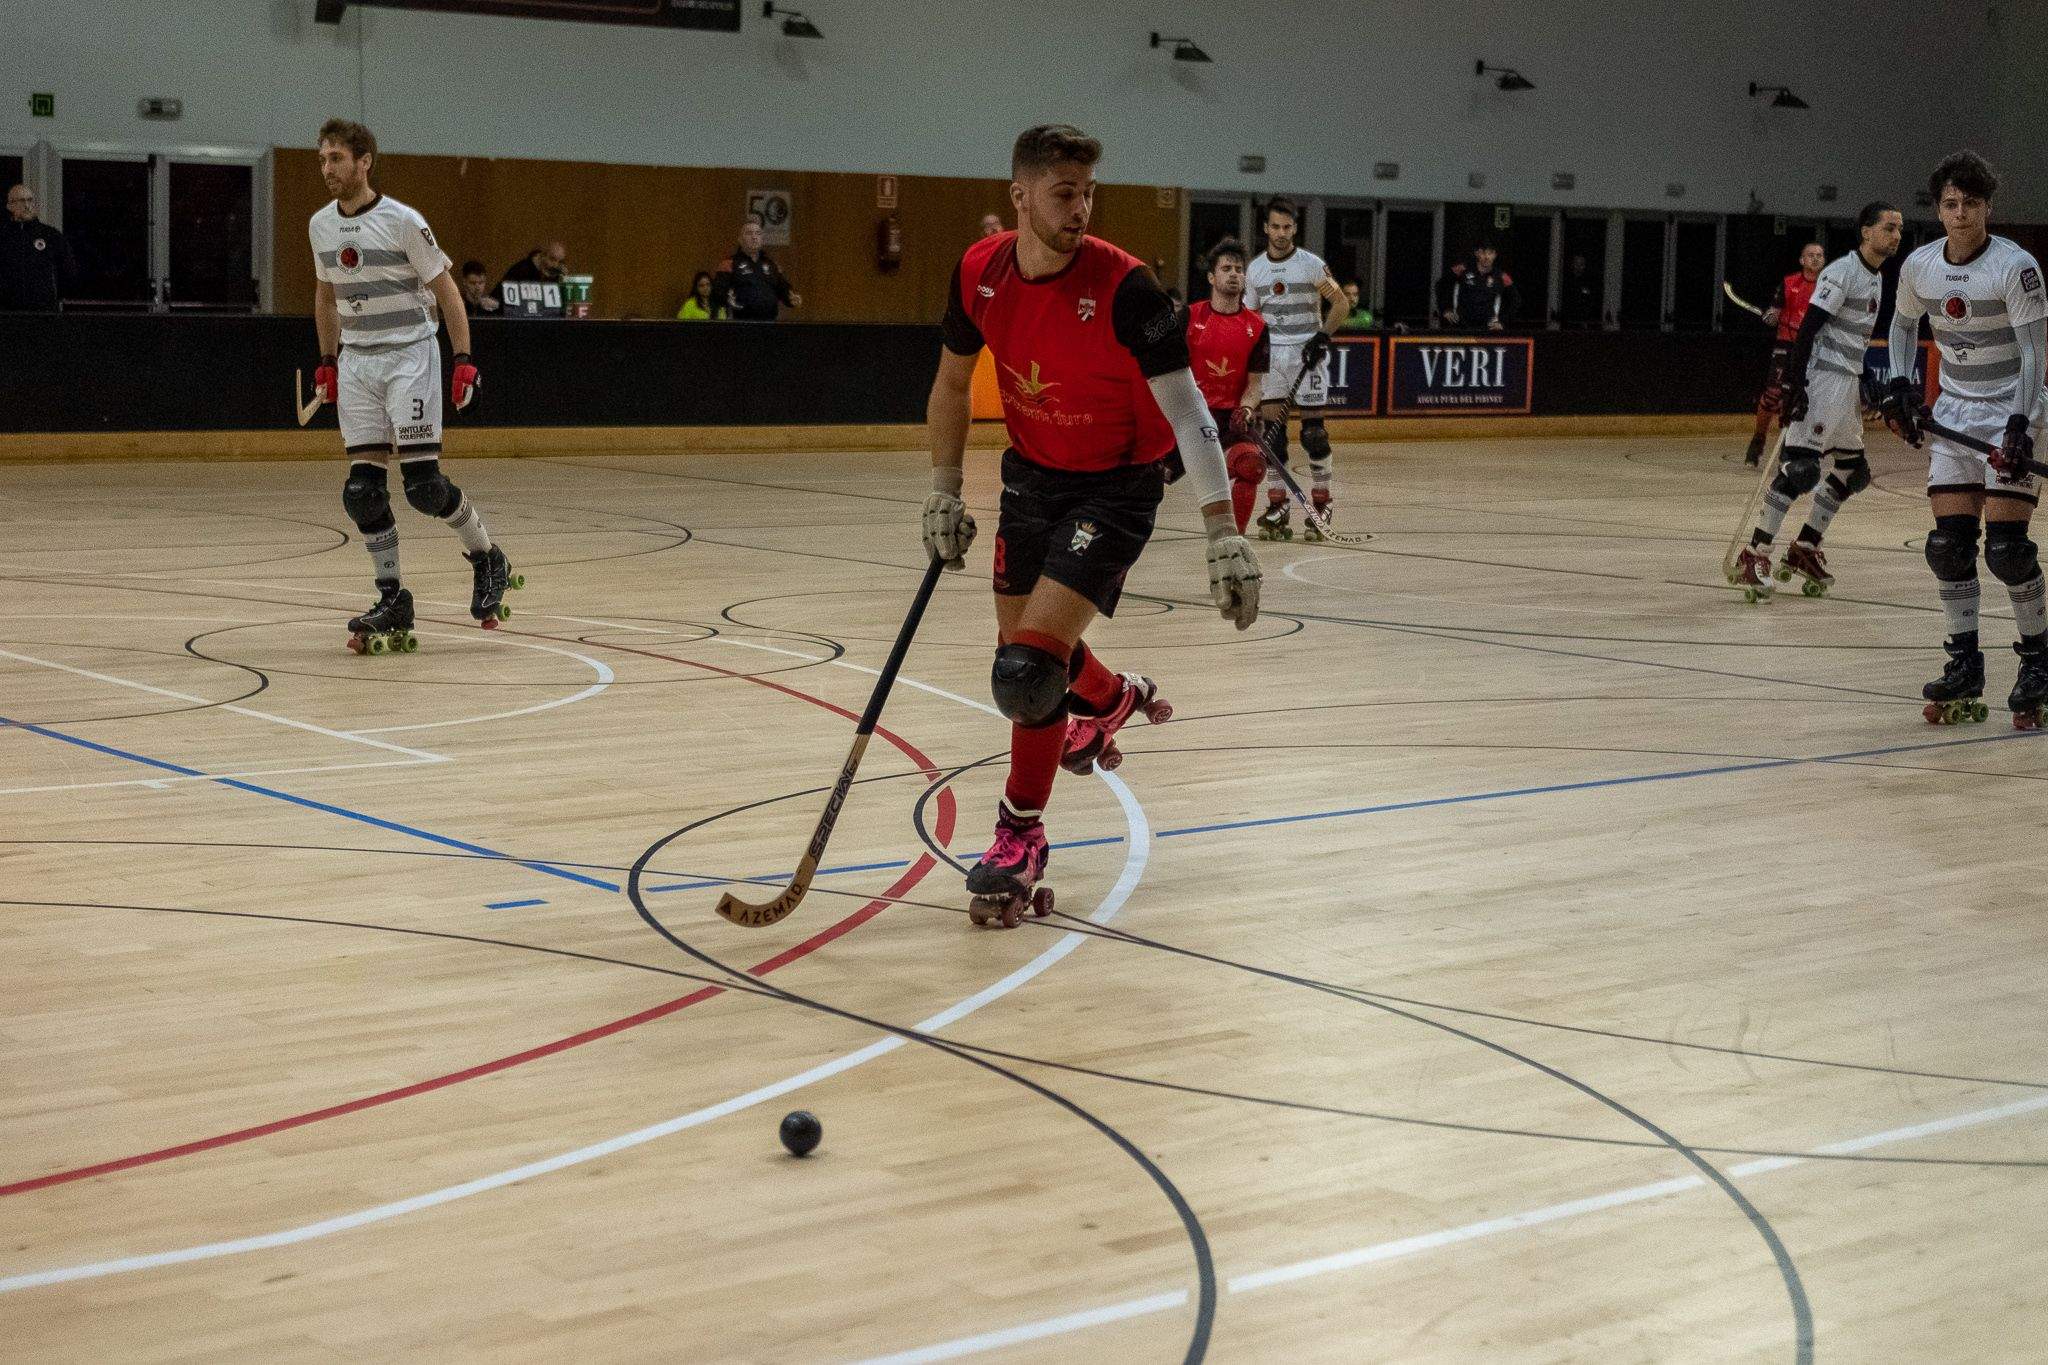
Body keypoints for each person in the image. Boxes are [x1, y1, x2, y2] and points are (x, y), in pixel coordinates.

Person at [920, 123, 1261, 927]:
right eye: (1063, 194)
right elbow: (949, 385)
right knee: (1027, 659)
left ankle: (1019, 834)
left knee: (1026, 673)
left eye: (1088, 194)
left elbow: (1191, 417)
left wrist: (1223, 533)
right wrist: (943, 490)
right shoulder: (980, 273)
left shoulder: (1127, 288)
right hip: (1032, 475)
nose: (1080, 210)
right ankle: (1106, 699)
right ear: (1021, 197)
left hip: (1115, 485)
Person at [306, 118, 514, 653]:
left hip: (409, 356)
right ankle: (393, 595)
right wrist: (327, 360)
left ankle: (486, 554)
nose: (327, 168)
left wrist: (463, 358)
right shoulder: (320, 226)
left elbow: (447, 292)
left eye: (336, 159)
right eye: (323, 159)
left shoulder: (403, 221)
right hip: (358, 363)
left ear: (363, 160)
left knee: (423, 487)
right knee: (361, 492)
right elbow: (326, 297)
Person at [1880, 150, 2048, 727]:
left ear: (1987, 207)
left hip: (2011, 412)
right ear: (1938, 209)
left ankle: (2038, 662)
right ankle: (1965, 664)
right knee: (1948, 548)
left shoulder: (2016, 267)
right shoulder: (1920, 266)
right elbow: (1902, 326)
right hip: (1954, 414)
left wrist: (2022, 426)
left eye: (1971, 204)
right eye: (1950, 205)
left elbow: (2033, 352)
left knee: (2007, 551)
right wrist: (1900, 386)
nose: (1960, 215)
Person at [1731, 202, 1904, 598]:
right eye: (1888, 228)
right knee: (1803, 472)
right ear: (1865, 232)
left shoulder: (1876, 278)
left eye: (1898, 229)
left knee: (1853, 473)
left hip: (1845, 388)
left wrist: (1864, 380)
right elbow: (1806, 331)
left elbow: (1854, 340)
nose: (1896, 235)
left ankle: (1805, 548)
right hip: (1820, 382)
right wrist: (1795, 387)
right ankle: (1754, 553)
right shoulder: (1841, 272)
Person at [1245, 197, 1348, 539]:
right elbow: (1250, 318)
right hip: (1272, 358)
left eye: (1287, 227)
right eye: (1275, 226)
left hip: (1308, 355)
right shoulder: (1255, 270)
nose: (1280, 233)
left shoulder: (1312, 265)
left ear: (1295, 228)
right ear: (1265, 228)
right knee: (1274, 438)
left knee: (1313, 434)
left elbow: (1341, 303)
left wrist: (1322, 336)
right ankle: (1278, 505)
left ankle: (1321, 504)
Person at [1180, 236, 1270, 531]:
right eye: (1226, 268)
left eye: (1239, 269)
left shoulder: (1256, 327)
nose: (1234, 274)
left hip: (1231, 420)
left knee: (1252, 466)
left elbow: (1255, 384)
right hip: (1190, 417)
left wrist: (1245, 410)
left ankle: (1235, 541)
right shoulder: (1189, 317)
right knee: (1148, 481)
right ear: (1211, 276)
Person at [1744, 241, 1826, 465]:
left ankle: (1787, 448)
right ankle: (1758, 438)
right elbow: (1774, 311)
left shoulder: (1827, 287)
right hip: (1786, 344)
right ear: (1802, 260)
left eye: (1819, 255)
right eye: (1810, 255)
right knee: (1772, 395)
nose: (1815, 259)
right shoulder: (1790, 283)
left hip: (1811, 348)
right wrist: (1771, 317)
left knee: (1796, 399)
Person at [1, 184, 76, 312]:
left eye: (30, 200)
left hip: (43, 313)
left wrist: (52, 298)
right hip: (7, 313)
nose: (27, 205)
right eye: (21, 200)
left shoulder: (51, 235)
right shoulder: (3, 237)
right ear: (9, 206)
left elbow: (68, 271)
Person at [713, 217, 801, 321]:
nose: (754, 237)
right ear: (740, 240)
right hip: (740, 323)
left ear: (762, 239)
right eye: (749, 233)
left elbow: (783, 289)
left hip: (769, 323)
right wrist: (726, 298)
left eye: (758, 233)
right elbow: (717, 292)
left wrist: (791, 299)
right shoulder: (728, 263)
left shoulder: (772, 265)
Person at [1435, 241, 1518, 330]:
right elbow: (1441, 285)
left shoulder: (1502, 276)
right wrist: (1445, 309)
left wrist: (1503, 322)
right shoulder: (1463, 269)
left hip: (1488, 328)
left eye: (1490, 253)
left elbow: (1515, 300)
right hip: (1461, 327)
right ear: (1476, 253)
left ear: (1495, 255)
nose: (1486, 257)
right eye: (1482, 252)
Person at [499, 240, 567, 288]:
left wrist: (564, 281)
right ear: (542, 255)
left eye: (560, 262)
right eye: (552, 259)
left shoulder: (555, 274)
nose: (556, 265)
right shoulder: (521, 269)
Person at [1560, 252, 1601, 328]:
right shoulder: (1565, 280)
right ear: (1572, 264)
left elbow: (1591, 300)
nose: (1578, 267)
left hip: (1582, 320)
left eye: (1581, 264)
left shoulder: (1589, 281)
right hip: (1567, 320)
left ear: (1585, 266)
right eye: (1576, 264)